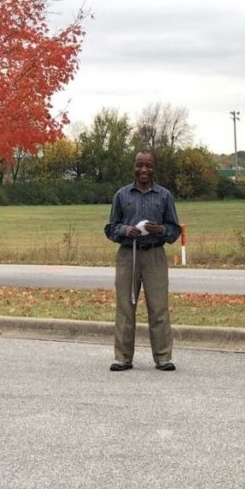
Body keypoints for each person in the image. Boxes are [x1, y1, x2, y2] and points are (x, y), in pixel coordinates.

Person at [103, 151, 181, 372]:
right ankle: (123, 357)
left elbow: (174, 230)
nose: (144, 170)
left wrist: (161, 229)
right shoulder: (122, 195)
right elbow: (110, 228)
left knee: (158, 307)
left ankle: (163, 357)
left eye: (148, 166)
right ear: (134, 167)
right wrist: (125, 230)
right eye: (140, 165)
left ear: (154, 168)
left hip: (155, 254)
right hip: (128, 255)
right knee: (125, 307)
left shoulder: (164, 196)